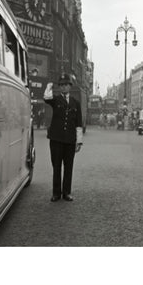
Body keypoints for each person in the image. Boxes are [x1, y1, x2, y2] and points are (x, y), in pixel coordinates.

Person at [43, 74, 83, 202]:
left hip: (70, 140)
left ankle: (67, 193)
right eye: (61, 85)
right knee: (56, 166)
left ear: (70, 86)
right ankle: (56, 193)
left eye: (66, 84)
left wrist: (79, 141)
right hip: (56, 139)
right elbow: (46, 97)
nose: (64, 87)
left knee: (68, 166)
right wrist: (50, 85)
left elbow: (78, 123)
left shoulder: (76, 103)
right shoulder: (55, 100)